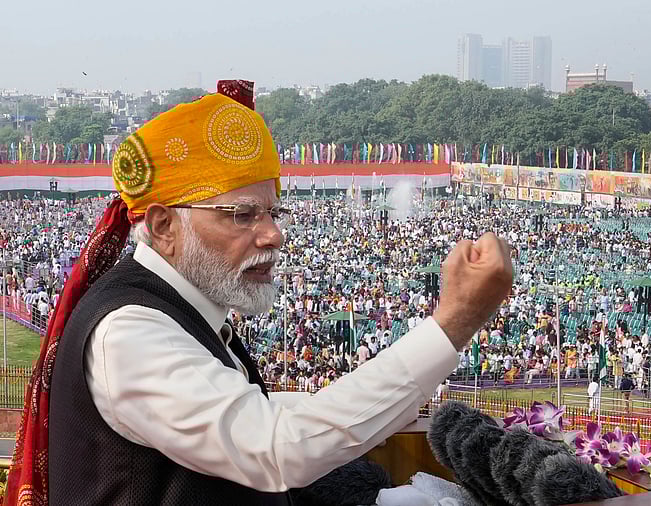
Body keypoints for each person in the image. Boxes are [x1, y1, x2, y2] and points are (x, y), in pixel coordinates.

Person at [5, 81, 514, 506]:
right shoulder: (130, 332)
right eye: (243, 215)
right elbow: (275, 447)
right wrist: (453, 322)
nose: (272, 235)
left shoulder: (187, 311)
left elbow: (254, 419)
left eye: (274, 213)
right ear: (163, 226)